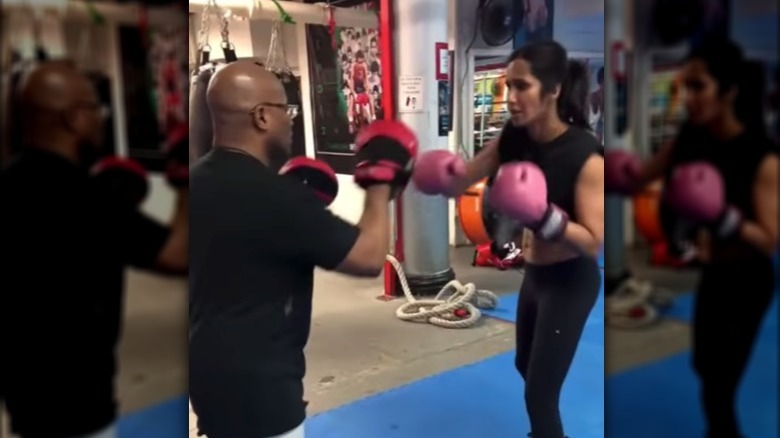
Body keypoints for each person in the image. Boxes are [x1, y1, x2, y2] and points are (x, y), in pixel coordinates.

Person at [188, 60, 417, 438]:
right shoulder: (278, 198)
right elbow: (368, 257)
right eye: (285, 109)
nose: (290, 120)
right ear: (261, 116)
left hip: (207, 375)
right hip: (262, 388)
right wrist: (381, 184)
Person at [412, 41, 604, 438]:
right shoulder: (513, 139)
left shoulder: (586, 155)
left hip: (570, 282)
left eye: (522, 86)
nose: (511, 98)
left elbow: (593, 242)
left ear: (552, 90)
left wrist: (543, 216)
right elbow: (463, 177)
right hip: (534, 276)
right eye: (508, 86)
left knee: (540, 395)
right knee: (524, 365)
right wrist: (414, 171)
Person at [0, 61, 189, 438]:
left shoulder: (7, 185)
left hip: (24, 402)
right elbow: (178, 255)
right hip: (79, 406)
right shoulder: (87, 198)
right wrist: (185, 178)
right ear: (72, 117)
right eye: (94, 109)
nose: (101, 118)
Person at [605, 37, 779, 438]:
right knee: (704, 368)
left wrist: (719, 216)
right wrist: (608, 170)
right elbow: (643, 176)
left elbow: (769, 239)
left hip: (749, 281)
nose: (688, 97)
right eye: (684, 86)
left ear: (728, 89)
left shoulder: (762, 156)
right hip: (714, 276)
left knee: (720, 387)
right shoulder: (690, 137)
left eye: (698, 86)